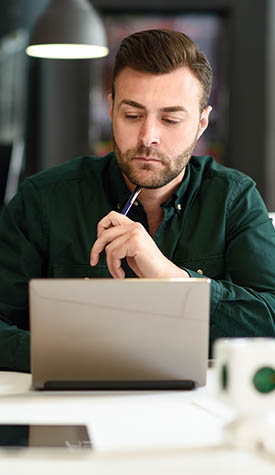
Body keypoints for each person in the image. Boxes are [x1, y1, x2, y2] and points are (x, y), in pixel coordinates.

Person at [0, 29, 274, 373]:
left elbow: (271, 318)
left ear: (201, 123)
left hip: (196, 412)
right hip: (72, 404)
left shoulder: (232, 198)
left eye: (170, 119)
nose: (148, 137)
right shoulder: (44, 199)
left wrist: (172, 280)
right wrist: (75, 355)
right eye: (132, 115)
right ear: (112, 108)